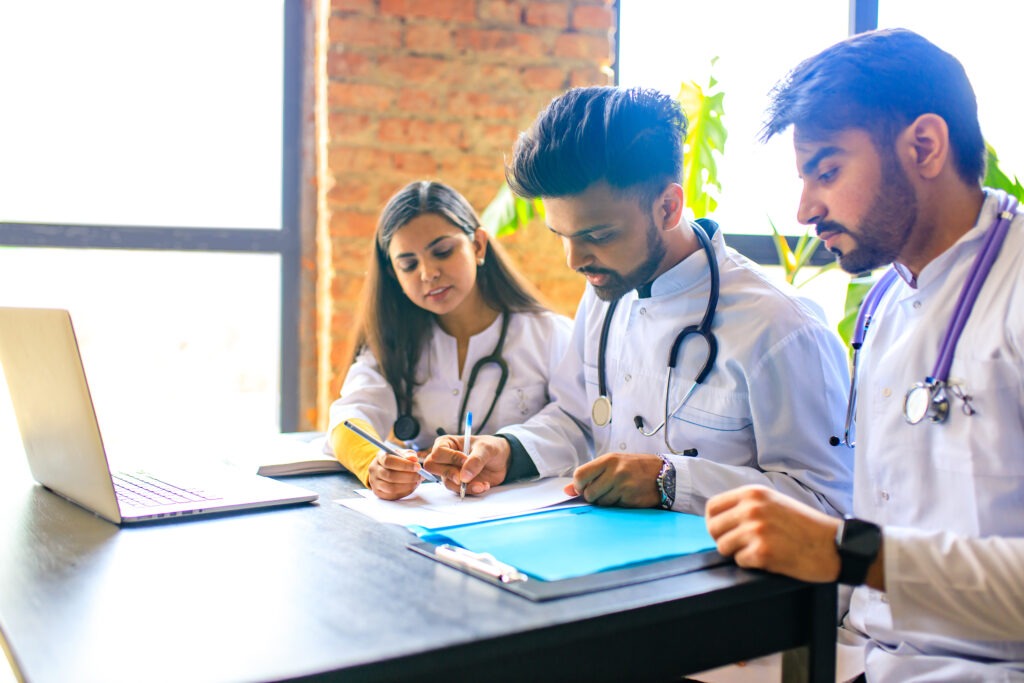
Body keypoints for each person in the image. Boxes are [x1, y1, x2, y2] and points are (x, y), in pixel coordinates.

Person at [704, 28, 1024, 681]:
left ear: (924, 146)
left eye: (827, 170)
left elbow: (864, 549)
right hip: (874, 657)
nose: (805, 208)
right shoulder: (881, 302)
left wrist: (849, 552)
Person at [424, 86, 852, 519]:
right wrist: (508, 450)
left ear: (668, 207)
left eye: (599, 235)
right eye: (563, 237)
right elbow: (577, 419)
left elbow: (828, 502)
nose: (575, 260)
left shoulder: (781, 328)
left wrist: (670, 481)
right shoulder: (605, 293)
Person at [327, 180, 572, 500]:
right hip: (429, 520)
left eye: (442, 252)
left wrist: (510, 450)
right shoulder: (393, 343)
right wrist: (374, 465)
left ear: (478, 246)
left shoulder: (549, 336)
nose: (428, 273)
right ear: (394, 275)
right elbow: (349, 418)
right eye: (408, 265)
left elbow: (578, 428)